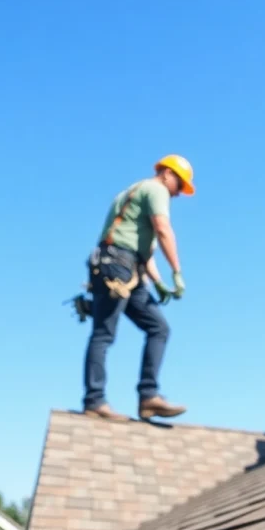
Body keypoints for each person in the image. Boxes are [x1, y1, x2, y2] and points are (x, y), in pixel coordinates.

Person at [81, 154, 195, 421]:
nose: (178, 194)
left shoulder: (135, 194)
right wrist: (177, 271)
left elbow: (143, 253)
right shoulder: (155, 189)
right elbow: (163, 228)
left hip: (128, 267)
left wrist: (159, 283)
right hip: (116, 265)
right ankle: (94, 400)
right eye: (180, 186)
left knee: (159, 327)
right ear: (168, 174)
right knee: (103, 333)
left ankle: (149, 398)